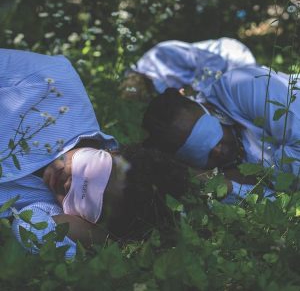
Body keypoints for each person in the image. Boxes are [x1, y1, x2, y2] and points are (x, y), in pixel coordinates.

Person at [0, 48, 187, 257]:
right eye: (91, 173)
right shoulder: (53, 79)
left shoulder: (51, 209)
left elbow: (33, 231)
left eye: (88, 203)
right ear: (114, 151)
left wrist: (105, 239)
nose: (70, 184)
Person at [142, 65, 300, 202]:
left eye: (213, 136)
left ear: (211, 112)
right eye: (204, 155)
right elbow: (276, 205)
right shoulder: (208, 181)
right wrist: (231, 185)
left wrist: (245, 177)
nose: (218, 151)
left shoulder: (242, 85)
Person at [120, 37, 256, 101]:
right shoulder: (153, 86)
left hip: (232, 58)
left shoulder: (160, 53)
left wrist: (194, 88)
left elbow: (214, 60)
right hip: (221, 77)